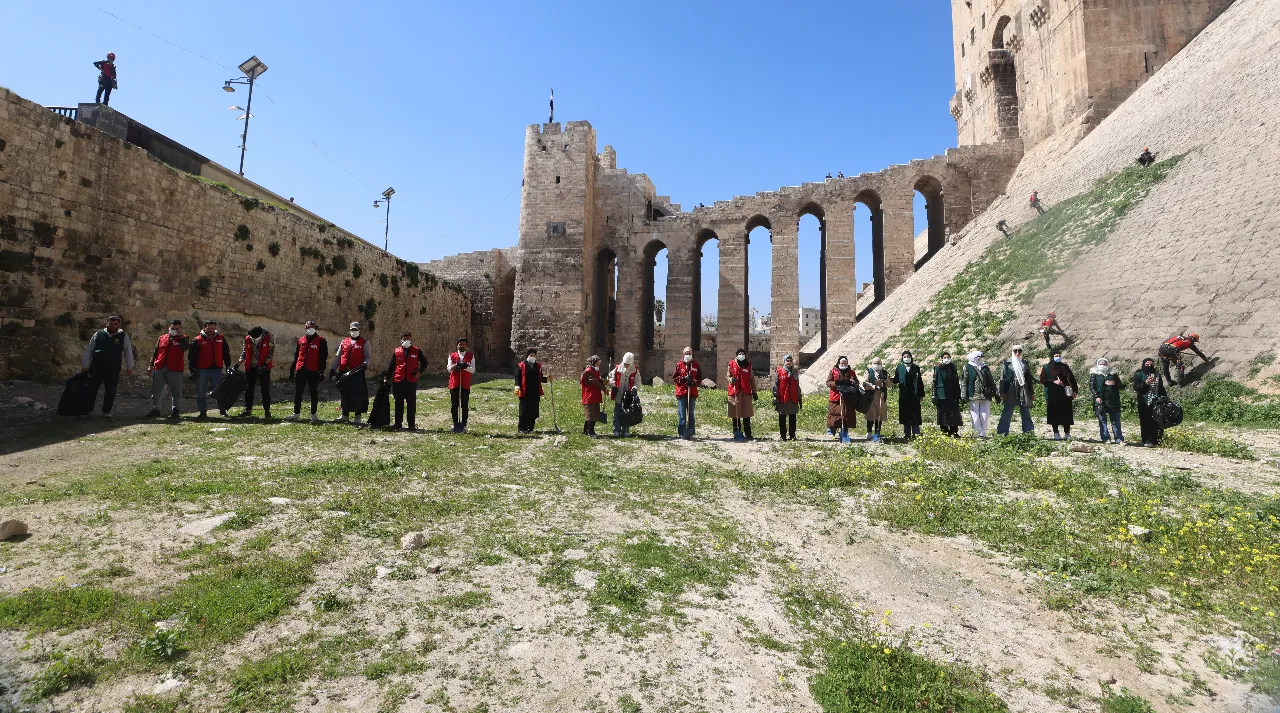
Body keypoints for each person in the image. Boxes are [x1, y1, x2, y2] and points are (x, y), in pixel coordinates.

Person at [81, 314, 134, 417]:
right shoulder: (98, 334)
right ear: (106, 324)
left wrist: (129, 367)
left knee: (111, 390)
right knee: (91, 388)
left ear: (118, 325)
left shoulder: (123, 336)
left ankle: (106, 412)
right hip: (97, 367)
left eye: (115, 324)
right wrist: (85, 365)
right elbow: (89, 350)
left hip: (113, 368)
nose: (113, 326)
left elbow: (128, 352)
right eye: (111, 324)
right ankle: (88, 410)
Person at [187, 319, 231, 420]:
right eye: (208, 328)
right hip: (202, 370)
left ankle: (222, 411)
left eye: (212, 328)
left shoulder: (221, 338)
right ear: (204, 328)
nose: (210, 330)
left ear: (215, 328)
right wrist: (192, 370)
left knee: (219, 391)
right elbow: (191, 357)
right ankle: (202, 412)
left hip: (217, 370)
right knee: (201, 391)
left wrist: (228, 365)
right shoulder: (197, 340)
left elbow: (226, 353)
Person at [287, 320, 328, 422]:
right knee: (298, 392)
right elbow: (296, 356)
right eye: (308, 328)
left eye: (311, 327)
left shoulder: (321, 341)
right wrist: (292, 370)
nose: (309, 329)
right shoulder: (301, 340)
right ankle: (296, 413)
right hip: (301, 369)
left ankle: (313, 414)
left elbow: (323, 357)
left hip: (313, 370)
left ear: (315, 328)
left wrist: (321, 371)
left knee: (313, 392)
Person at [386, 332, 427, 431]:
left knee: (411, 403)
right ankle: (398, 424)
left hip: (411, 381)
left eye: (408, 339)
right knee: (398, 403)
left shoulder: (416, 351)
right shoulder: (397, 351)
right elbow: (391, 366)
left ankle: (411, 425)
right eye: (404, 339)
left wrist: (419, 372)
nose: (407, 341)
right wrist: (386, 378)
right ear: (401, 340)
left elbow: (425, 363)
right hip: (398, 381)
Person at [148, 319, 188, 418]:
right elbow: (156, 351)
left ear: (180, 329)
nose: (174, 330)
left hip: (175, 368)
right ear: (169, 327)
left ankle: (175, 410)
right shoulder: (162, 337)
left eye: (177, 329)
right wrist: (151, 365)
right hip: (160, 366)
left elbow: (184, 347)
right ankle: (155, 409)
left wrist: (180, 336)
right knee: (156, 390)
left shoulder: (184, 338)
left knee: (176, 391)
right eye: (172, 328)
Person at [332, 322, 370, 425]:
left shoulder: (364, 342)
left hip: (357, 372)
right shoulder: (344, 342)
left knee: (358, 394)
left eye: (355, 329)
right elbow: (338, 356)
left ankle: (358, 416)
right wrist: (333, 369)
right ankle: (345, 414)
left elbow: (368, 357)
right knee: (344, 393)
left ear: (359, 330)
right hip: (344, 372)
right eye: (352, 329)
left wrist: (365, 364)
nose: (354, 331)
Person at [235, 326, 274, 419]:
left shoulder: (269, 338)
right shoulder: (248, 338)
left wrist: (264, 365)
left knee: (265, 390)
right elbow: (244, 353)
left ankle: (267, 411)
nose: (253, 338)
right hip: (250, 367)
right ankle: (248, 410)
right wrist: (236, 365)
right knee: (249, 389)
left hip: (264, 367)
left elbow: (270, 352)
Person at [1039, 349, 1078, 440]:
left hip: (1065, 393)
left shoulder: (1065, 366)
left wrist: (1075, 391)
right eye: (1056, 356)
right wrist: (1053, 381)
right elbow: (1042, 380)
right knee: (1054, 413)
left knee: (1066, 412)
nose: (1058, 357)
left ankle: (1067, 433)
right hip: (1053, 394)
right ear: (1052, 357)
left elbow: (1072, 379)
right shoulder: (1047, 367)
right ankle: (1056, 433)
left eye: (1059, 355)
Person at [997, 345, 1036, 435]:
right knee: (1007, 411)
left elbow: (1029, 379)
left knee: (1025, 411)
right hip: (1010, 389)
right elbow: (1003, 378)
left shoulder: (1025, 363)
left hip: (1024, 389)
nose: (1017, 353)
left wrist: (1032, 393)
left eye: (1019, 351)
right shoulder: (1007, 363)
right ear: (1012, 351)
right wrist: (1002, 391)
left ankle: (1028, 433)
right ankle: (1002, 432)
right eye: (1015, 351)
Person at [961, 351, 998, 438]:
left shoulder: (985, 367)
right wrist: (963, 395)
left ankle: (982, 433)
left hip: (986, 395)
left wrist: (996, 394)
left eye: (981, 357)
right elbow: (964, 382)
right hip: (973, 395)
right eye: (978, 357)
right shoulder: (967, 367)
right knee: (975, 415)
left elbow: (991, 381)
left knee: (985, 415)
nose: (980, 359)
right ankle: (978, 434)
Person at [1089, 357, 1125, 443]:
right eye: (1101, 364)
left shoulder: (1113, 374)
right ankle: (1105, 438)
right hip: (1100, 400)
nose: (1103, 365)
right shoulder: (1094, 374)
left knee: (1115, 420)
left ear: (1107, 364)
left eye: (1104, 364)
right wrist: (1096, 396)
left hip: (1113, 400)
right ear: (1097, 364)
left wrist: (1114, 383)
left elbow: (1121, 386)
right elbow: (1092, 386)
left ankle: (1119, 438)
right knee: (1102, 420)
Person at [1134, 357, 1168, 447]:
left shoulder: (1156, 374)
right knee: (1145, 421)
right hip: (1144, 402)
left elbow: (1161, 388)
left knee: (1157, 420)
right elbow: (1136, 387)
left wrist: (1164, 398)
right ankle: (1146, 440)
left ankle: (1157, 440)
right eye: (1147, 365)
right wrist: (1145, 383)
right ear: (1143, 365)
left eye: (1151, 365)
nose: (1149, 366)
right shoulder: (1139, 374)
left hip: (1156, 401)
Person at [892, 350, 925, 440]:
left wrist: (921, 394)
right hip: (904, 395)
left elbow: (920, 382)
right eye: (905, 357)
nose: (906, 358)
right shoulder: (899, 367)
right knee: (905, 414)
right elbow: (896, 379)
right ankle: (907, 433)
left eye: (908, 356)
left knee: (915, 414)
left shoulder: (916, 368)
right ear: (902, 358)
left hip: (914, 395)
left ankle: (916, 433)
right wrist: (889, 379)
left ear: (911, 357)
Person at [726, 348, 757, 441]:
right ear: (737, 355)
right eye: (739, 354)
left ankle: (748, 433)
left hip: (746, 391)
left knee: (746, 413)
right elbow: (728, 375)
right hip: (735, 391)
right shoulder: (731, 364)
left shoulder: (748, 365)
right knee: (735, 413)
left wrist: (754, 392)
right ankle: (736, 432)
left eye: (743, 354)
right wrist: (731, 379)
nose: (741, 355)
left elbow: (751, 379)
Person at [826, 356, 859, 443]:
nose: (843, 365)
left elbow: (856, 382)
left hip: (847, 397)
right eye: (842, 363)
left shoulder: (851, 372)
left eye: (845, 363)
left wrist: (853, 383)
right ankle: (831, 431)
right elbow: (828, 382)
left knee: (846, 415)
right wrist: (836, 384)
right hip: (836, 396)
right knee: (835, 414)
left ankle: (844, 432)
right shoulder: (833, 371)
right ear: (839, 363)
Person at [515, 348, 548, 434]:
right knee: (524, 410)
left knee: (533, 410)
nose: (532, 357)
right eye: (531, 355)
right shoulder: (522, 365)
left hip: (535, 392)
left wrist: (548, 379)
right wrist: (517, 386)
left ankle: (530, 428)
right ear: (527, 356)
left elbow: (540, 378)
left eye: (534, 355)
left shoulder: (538, 366)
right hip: (525, 391)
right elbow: (517, 377)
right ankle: (521, 428)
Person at [447, 337, 476, 433]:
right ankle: (455, 423)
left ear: (466, 345)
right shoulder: (452, 356)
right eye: (460, 344)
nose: (462, 346)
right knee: (454, 405)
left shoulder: (471, 356)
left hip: (465, 383)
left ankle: (463, 424)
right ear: (457, 345)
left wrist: (465, 366)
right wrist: (456, 365)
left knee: (464, 405)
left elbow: (473, 370)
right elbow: (449, 369)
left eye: (463, 344)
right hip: (454, 383)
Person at [672, 346, 701, 440]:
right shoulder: (679, 365)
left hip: (692, 392)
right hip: (681, 392)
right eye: (686, 353)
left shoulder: (696, 365)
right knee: (682, 414)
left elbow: (699, 379)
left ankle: (691, 431)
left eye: (689, 353)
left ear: (692, 354)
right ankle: (681, 432)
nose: (688, 354)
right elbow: (675, 378)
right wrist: (683, 379)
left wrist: (693, 382)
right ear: (683, 354)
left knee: (691, 414)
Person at [772, 354, 802, 441]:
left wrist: (800, 398)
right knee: (782, 418)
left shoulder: (795, 372)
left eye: (790, 361)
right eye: (787, 361)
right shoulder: (779, 371)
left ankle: (792, 435)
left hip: (793, 398)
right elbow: (776, 385)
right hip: (783, 398)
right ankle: (783, 435)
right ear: (784, 362)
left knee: (793, 418)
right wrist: (775, 396)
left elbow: (797, 386)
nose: (789, 362)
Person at [610, 352, 640, 437]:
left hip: (628, 396)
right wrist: (613, 385)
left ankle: (625, 429)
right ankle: (616, 429)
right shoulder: (618, 368)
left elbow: (638, 381)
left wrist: (635, 388)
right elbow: (611, 377)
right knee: (617, 411)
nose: (626, 365)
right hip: (619, 393)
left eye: (627, 364)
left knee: (627, 412)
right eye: (625, 364)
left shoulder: (635, 371)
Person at [933, 352, 962, 437]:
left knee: (954, 412)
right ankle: (945, 431)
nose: (946, 359)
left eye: (948, 357)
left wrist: (958, 394)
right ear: (941, 359)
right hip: (942, 393)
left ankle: (954, 431)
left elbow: (956, 381)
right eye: (944, 357)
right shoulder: (938, 368)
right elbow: (934, 383)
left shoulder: (953, 368)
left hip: (952, 393)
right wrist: (934, 395)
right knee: (943, 413)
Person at [864, 357, 889, 442]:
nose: (876, 365)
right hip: (872, 396)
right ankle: (869, 431)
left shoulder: (885, 372)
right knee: (871, 414)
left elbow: (889, 385)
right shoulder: (869, 371)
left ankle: (877, 433)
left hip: (881, 397)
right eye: (875, 363)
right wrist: (874, 387)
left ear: (881, 364)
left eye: (878, 363)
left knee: (880, 415)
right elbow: (865, 383)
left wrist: (885, 379)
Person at [580, 355, 604, 437]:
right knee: (590, 414)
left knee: (594, 413)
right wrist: (604, 388)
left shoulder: (595, 370)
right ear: (594, 363)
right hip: (589, 396)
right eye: (598, 363)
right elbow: (595, 383)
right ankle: (590, 431)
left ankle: (586, 430)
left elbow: (598, 379)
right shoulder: (588, 371)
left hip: (595, 395)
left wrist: (603, 381)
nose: (599, 365)